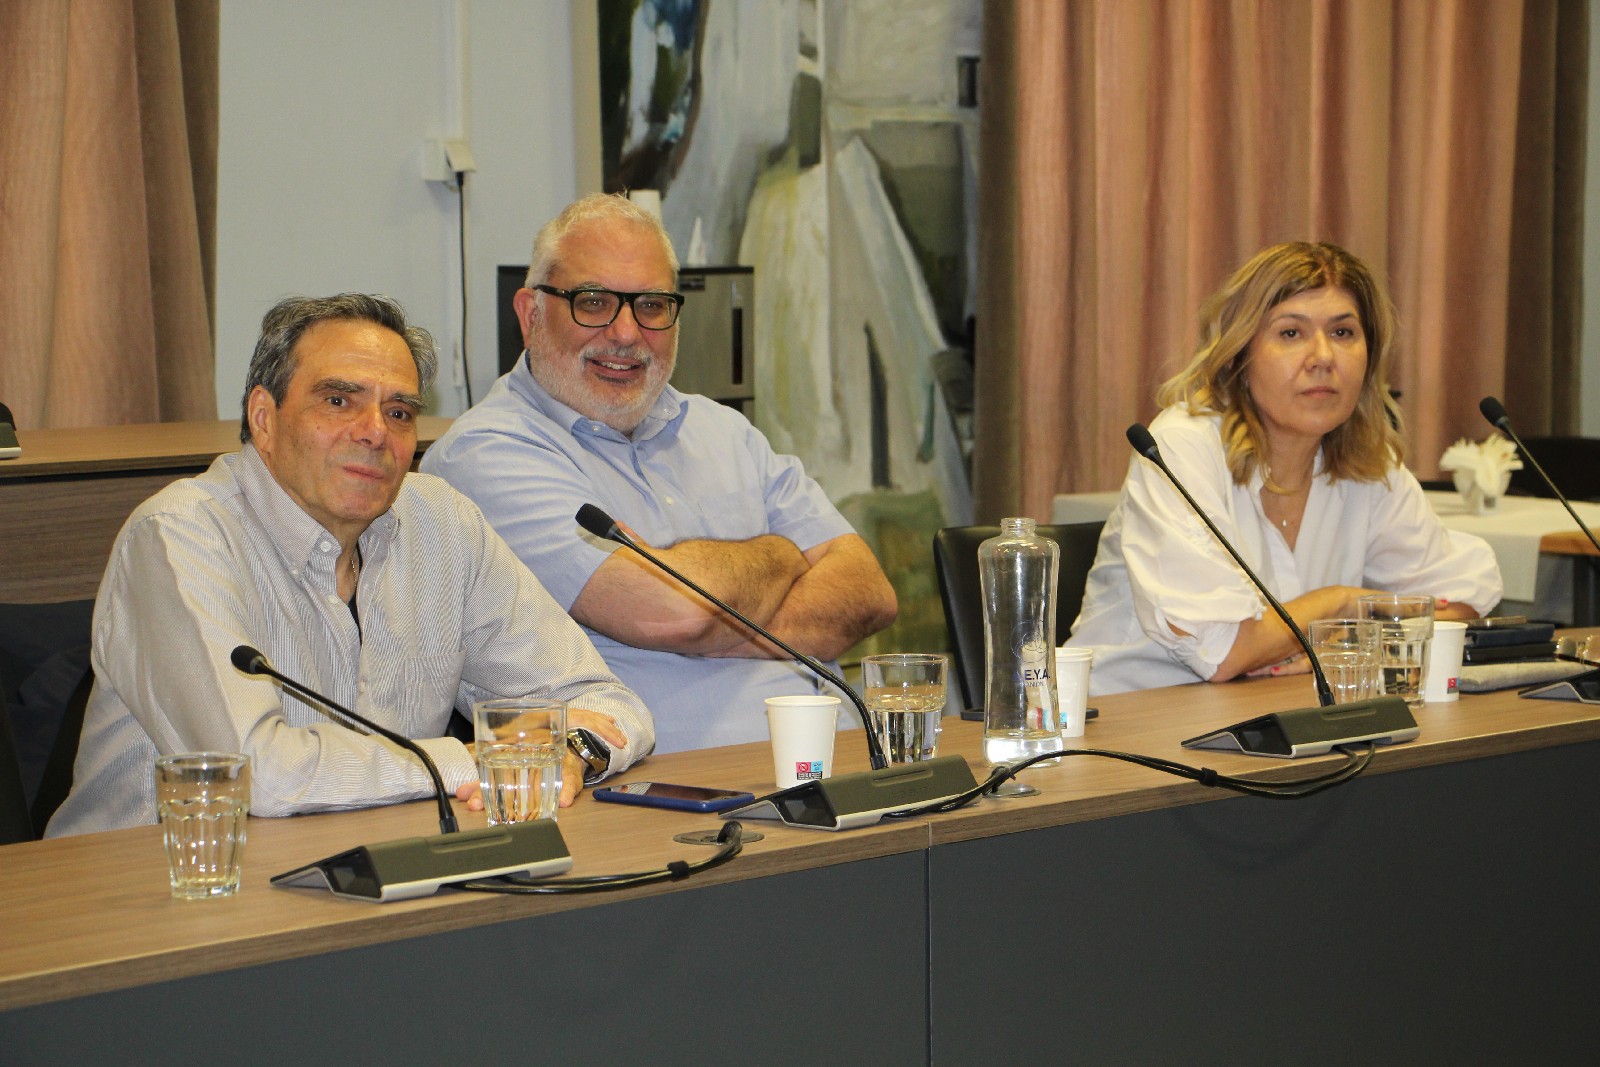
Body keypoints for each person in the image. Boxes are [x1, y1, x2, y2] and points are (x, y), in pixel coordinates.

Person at [47, 294, 653, 837]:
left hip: (371, 878)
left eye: (399, 413)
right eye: (338, 401)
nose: (374, 433)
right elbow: (259, 775)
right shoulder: (179, 536)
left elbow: (609, 704)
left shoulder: (442, 523)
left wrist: (574, 750)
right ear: (264, 417)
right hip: (156, 894)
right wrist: (472, 760)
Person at [421, 194, 898, 753]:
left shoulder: (725, 430)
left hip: (839, 759)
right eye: (593, 302)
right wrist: (784, 554)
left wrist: (720, 624)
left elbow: (870, 592)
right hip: (663, 785)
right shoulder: (484, 454)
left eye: (651, 305)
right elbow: (678, 614)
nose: (626, 333)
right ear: (531, 315)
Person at [1066, 241, 1501, 695]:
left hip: (1267, 714)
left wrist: (1338, 638)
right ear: (1240, 354)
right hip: (1129, 717)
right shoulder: (1181, 446)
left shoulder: (1367, 466)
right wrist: (1338, 604)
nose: (1323, 357)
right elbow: (1223, 652)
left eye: (1343, 333)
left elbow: (1460, 599)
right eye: (1291, 333)